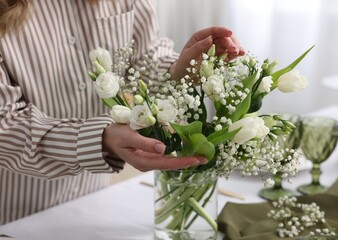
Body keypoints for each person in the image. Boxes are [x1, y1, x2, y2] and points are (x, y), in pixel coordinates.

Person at [0, 0, 244, 225]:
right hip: (14, 218)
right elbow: (5, 123)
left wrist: (179, 69)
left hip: (96, 203)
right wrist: (101, 139)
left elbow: (142, 58)